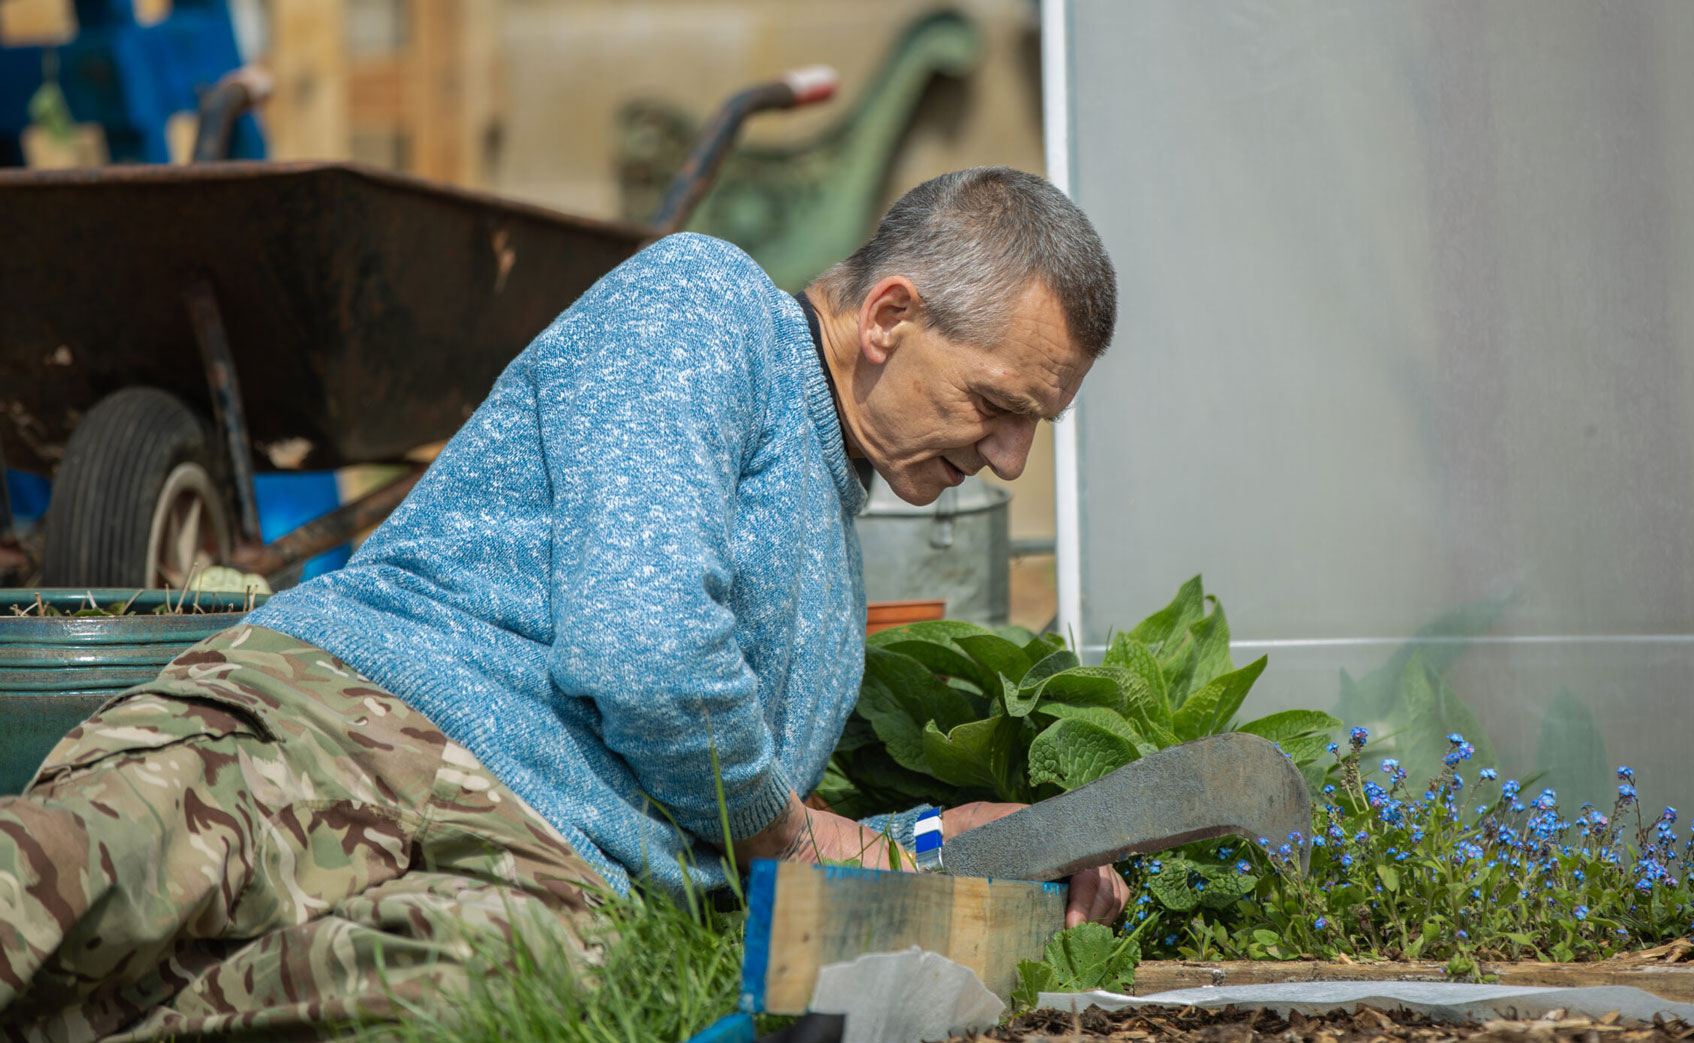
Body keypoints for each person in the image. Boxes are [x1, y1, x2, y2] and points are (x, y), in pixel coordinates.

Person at [0, 167, 1124, 1039]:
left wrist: (937, 844)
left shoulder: (833, 588)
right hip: (355, 721)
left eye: (1034, 425)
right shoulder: (708, 303)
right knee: (85, 866)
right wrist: (787, 826)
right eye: (997, 403)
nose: (1014, 459)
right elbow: (651, 657)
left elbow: (766, 836)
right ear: (887, 315)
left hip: (539, 879)